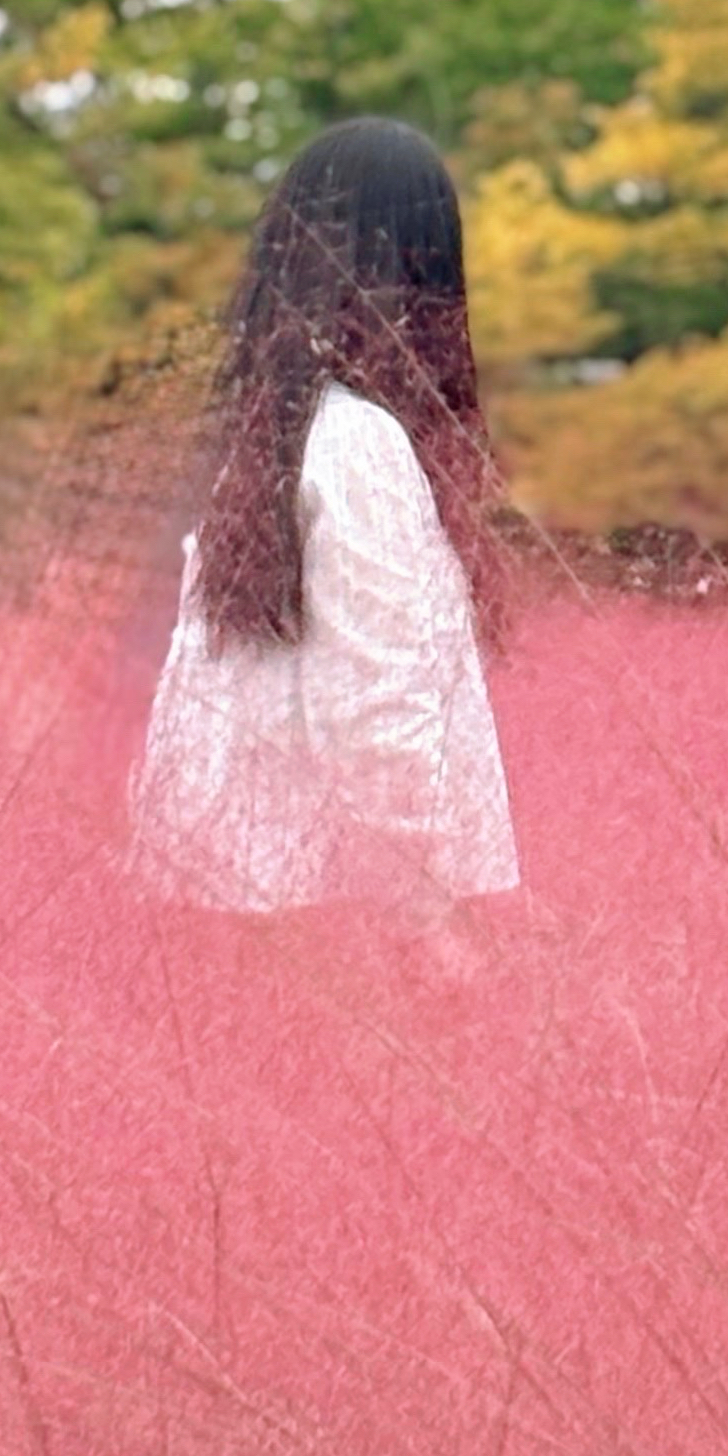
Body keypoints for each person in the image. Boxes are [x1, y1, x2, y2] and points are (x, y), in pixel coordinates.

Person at [128, 116, 520, 928]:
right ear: (425, 264)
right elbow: (376, 708)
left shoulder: (262, 433)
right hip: (338, 919)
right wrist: (434, 920)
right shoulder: (357, 441)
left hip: (224, 895)